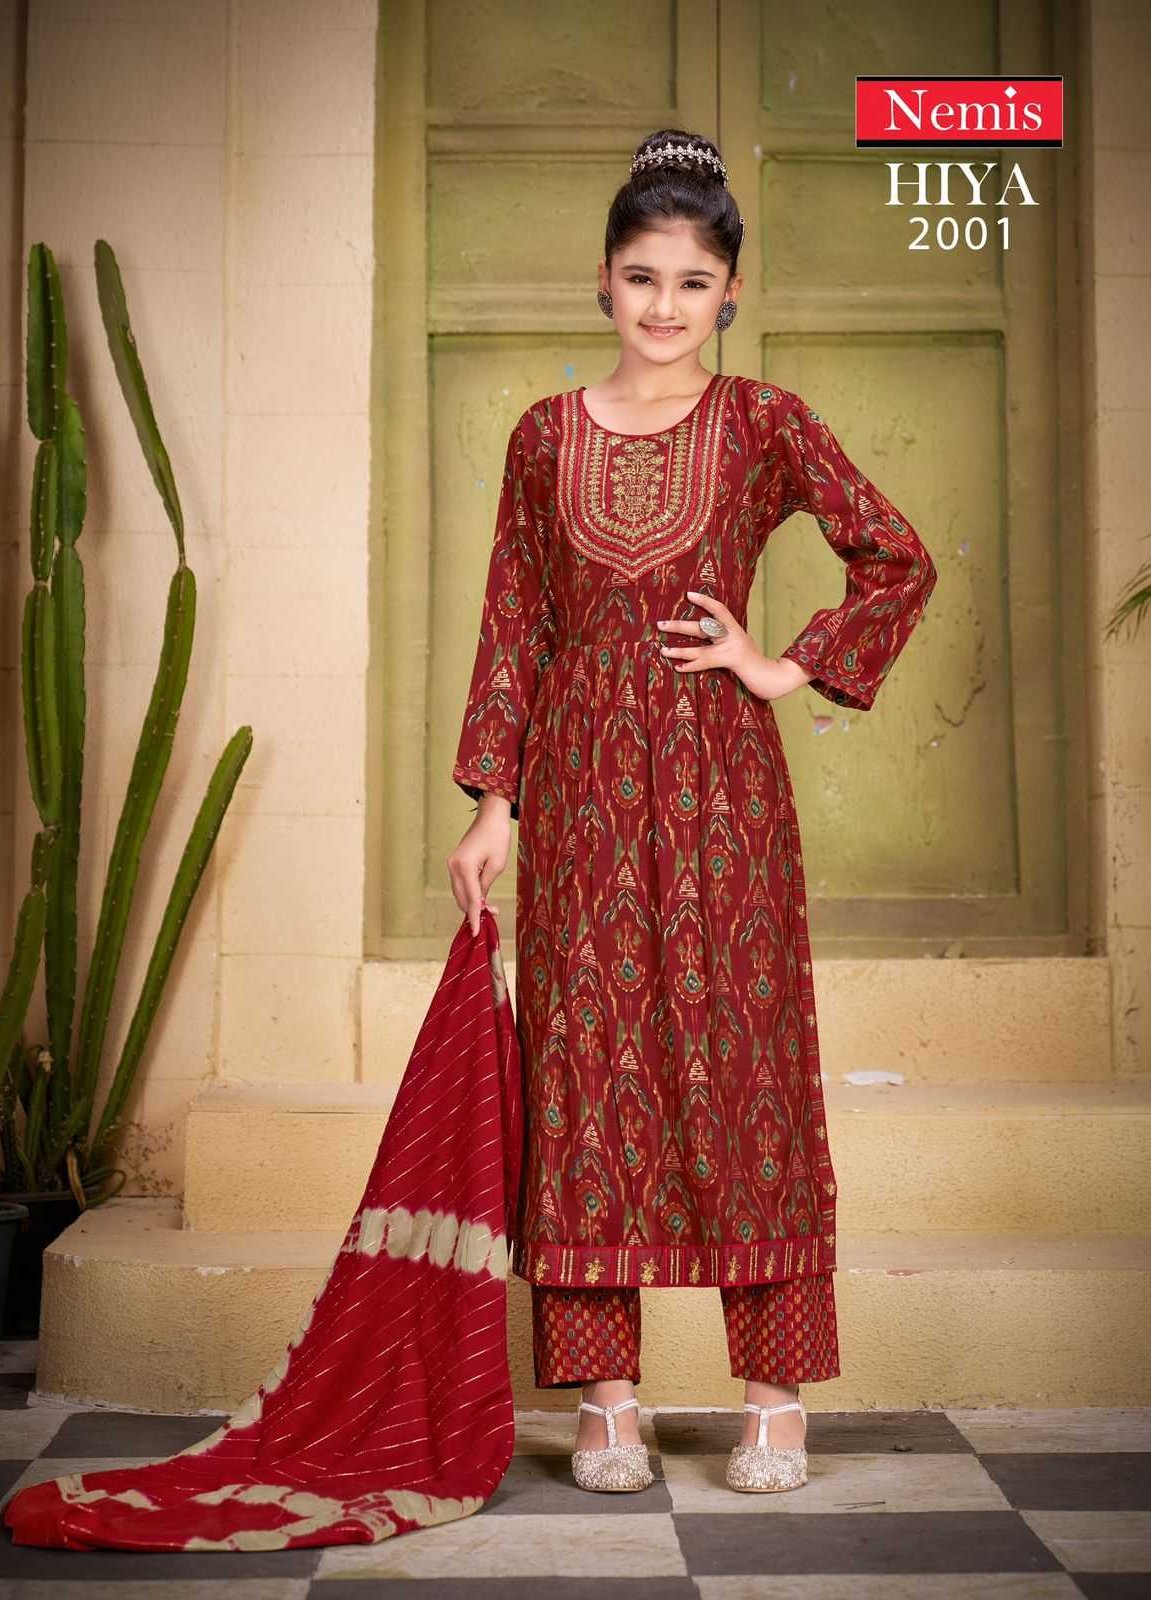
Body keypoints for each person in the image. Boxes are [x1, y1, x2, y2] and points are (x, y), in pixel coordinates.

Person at [447, 128, 938, 1494]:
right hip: (580, 800)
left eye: (692, 281)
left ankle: (774, 1402)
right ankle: (607, 1402)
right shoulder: (542, 436)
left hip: (724, 790)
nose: (663, 305)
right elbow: (514, 623)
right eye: (641, 276)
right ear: (602, 282)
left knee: (745, 1074)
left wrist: (782, 666)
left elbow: (895, 556)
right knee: (584, 1078)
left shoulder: (765, 421)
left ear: (728, 295)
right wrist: (494, 806)